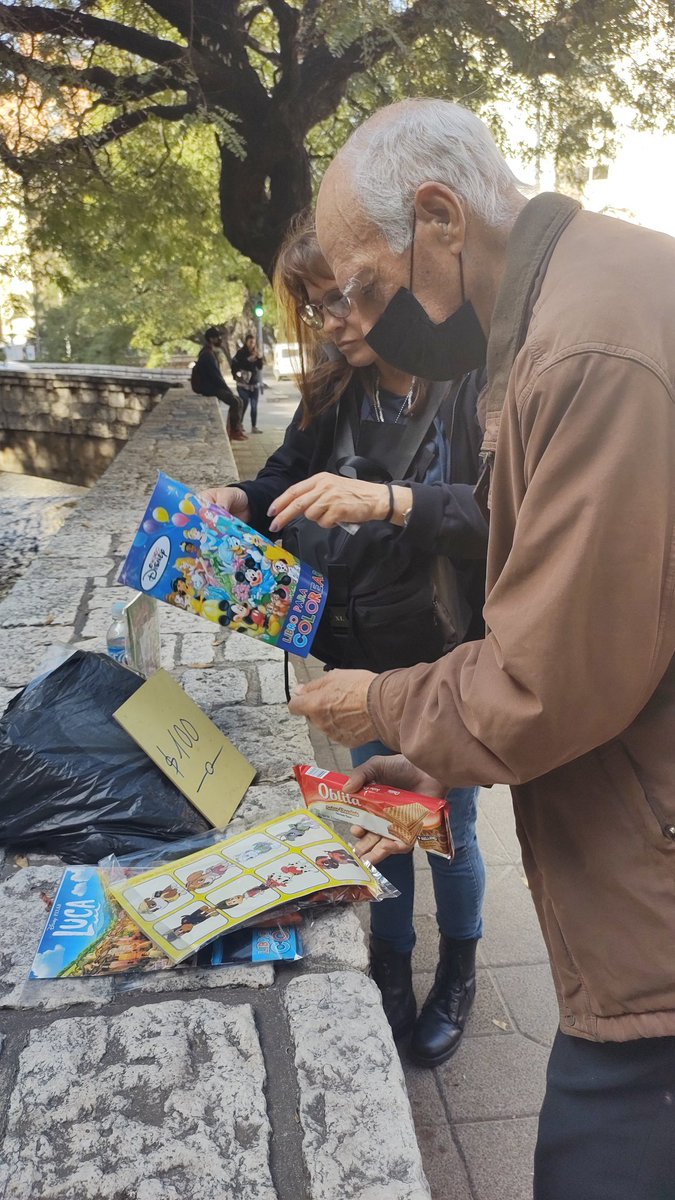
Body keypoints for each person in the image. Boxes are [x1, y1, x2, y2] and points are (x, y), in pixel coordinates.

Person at [287, 98, 675, 1197]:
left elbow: (550, 680)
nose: (357, 318)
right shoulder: (598, 290)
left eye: (364, 287)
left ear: (442, 219)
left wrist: (385, 705)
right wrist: (437, 756)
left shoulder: (589, 347)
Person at [204, 222, 489, 1065]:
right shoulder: (333, 392)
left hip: (445, 655)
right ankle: (392, 964)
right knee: (375, 813)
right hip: (357, 651)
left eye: (340, 295)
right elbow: (285, 478)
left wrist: (393, 502)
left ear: (391, 279)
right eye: (315, 304)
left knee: (449, 824)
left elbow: (501, 517)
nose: (330, 318)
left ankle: (461, 965)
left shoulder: (470, 386)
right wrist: (241, 499)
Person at [193, 327, 246, 441]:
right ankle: (234, 431)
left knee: (239, 400)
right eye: (218, 337)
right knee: (235, 402)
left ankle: (236, 428)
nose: (220, 339)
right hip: (209, 388)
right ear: (211, 339)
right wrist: (227, 390)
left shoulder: (209, 352)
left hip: (211, 386)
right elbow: (216, 377)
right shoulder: (207, 355)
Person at [232, 332, 264, 433]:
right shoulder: (240, 353)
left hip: (254, 385)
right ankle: (239, 424)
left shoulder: (255, 353)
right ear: (246, 342)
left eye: (253, 343)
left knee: (254, 406)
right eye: (250, 342)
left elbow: (260, 367)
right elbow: (236, 365)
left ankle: (254, 426)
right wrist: (248, 360)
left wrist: (258, 358)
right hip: (243, 384)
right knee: (244, 402)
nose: (252, 344)